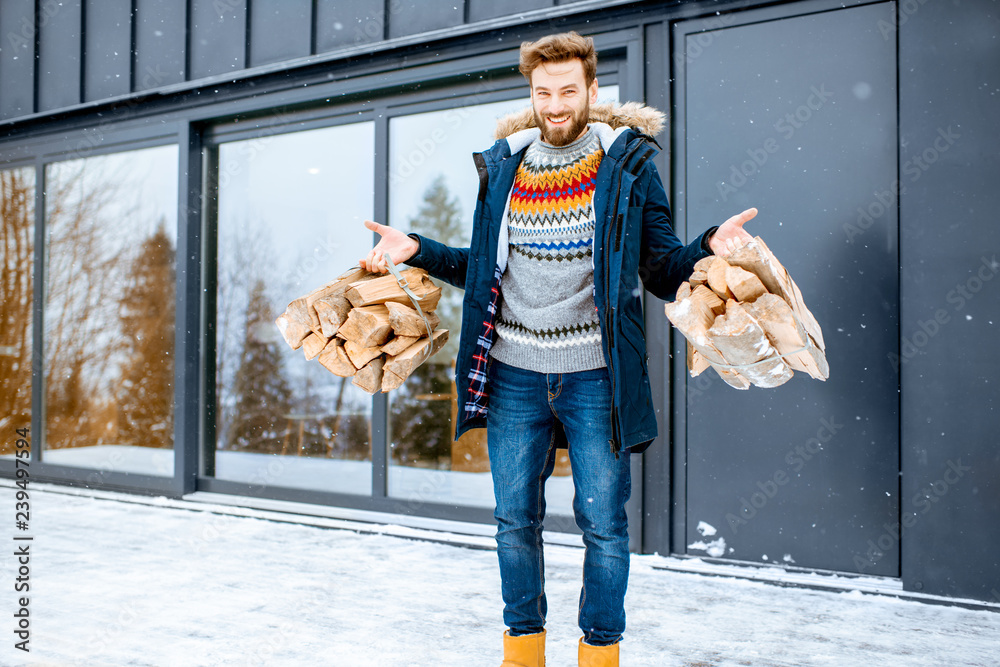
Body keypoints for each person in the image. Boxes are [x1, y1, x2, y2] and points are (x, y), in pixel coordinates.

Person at [360, 31, 755, 667]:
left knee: (603, 523)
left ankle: (599, 653)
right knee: (514, 520)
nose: (555, 105)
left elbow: (657, 268)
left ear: (592, 91)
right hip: (514, 372)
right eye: (543, 92)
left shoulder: (627, 167)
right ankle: (524, 650)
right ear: (533, 95)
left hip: (595, 375)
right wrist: (419, 248)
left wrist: (710, 246)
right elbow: (484, 267)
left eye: (568, 91)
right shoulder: (505, 168)